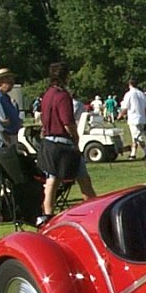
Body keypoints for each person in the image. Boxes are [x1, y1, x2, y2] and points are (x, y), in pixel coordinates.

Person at [37, 62, 96, 225]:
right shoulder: (63, 96)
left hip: (48, 142)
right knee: (84, 180)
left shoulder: (47, 95)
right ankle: (93, 209)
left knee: (52, 181)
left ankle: (47, 214)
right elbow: (67, 122)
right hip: (63, 144)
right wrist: (76, 139)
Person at [120, 78, 146, 160]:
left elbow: (125, 107)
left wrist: (120, 115)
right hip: (142, 118)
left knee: (137, 137)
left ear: (130, 85)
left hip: (134, 118)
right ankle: (133, 153)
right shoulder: (141, 93)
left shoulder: (129, 94)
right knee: (136, 136)